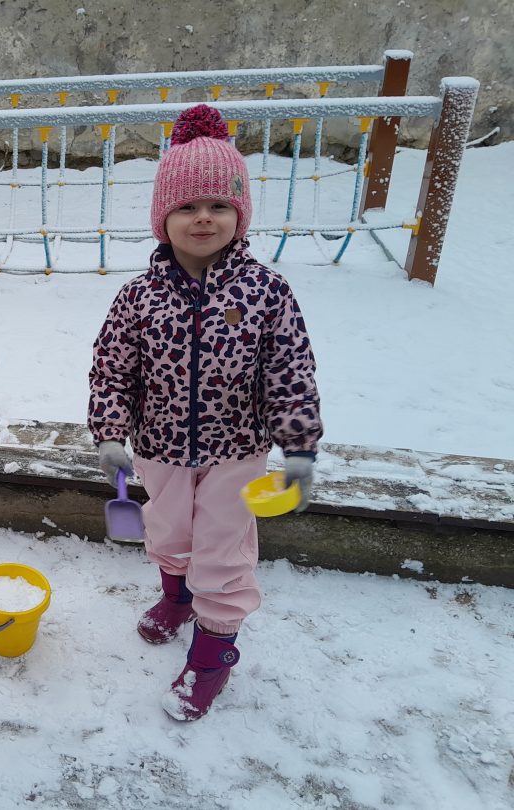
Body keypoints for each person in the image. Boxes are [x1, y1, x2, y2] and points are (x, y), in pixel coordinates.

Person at [87, 105, 322, 721]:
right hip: (159, 449)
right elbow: (113, 369)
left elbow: (290, 373)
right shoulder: (137, 298)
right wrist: (110, 433)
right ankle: (177, 597)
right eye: (187, 206)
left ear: (239, 215)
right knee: (167, 534)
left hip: (236, 453)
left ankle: (212, 656)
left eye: (219, 205)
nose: (203, 218)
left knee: (222, 554)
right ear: (163, 217)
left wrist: (299, 447)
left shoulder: (266, 293)